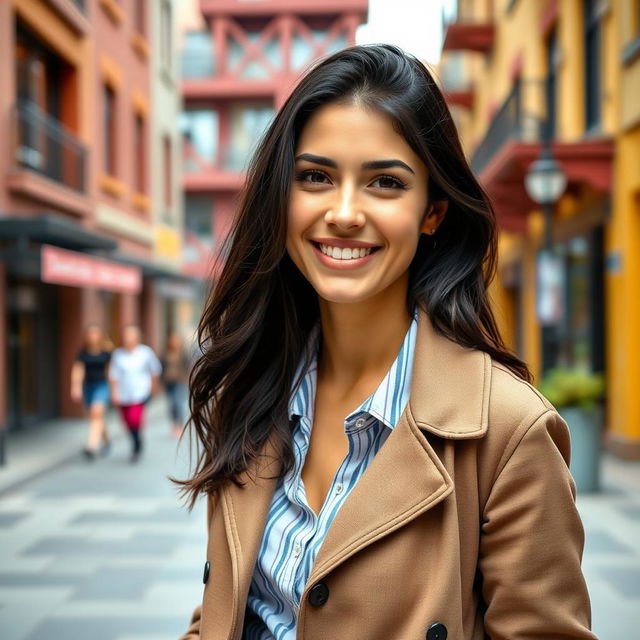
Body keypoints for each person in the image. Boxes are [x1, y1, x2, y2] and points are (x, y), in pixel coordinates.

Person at [175, 45, 595, 639]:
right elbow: (224, 611)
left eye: (385, 183)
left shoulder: (509, 432)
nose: (344, 213)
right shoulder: (250, 387)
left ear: (432, 212)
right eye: (315, 176)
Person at [109, 325, 162, 463]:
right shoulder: (118, 354)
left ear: (137, 337)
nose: (128, 338)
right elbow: (114, 375)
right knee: (127, 421)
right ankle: (135, 438)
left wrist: (153, 387)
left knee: (134, 418)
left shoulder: (145, 352)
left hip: (140, 392)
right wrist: (114, 392)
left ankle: (137, 443)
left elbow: (155, 370)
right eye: (126, 335)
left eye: (131, 335)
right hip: (123, 393)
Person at [70, 325, 112, 460]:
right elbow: (78, 369)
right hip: (88, 386)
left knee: (96, 413)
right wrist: (75, 386)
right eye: (90, 334)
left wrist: (114, 388)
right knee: (96, 417)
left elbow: (111, 371)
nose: (93, 336)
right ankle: (106, 440)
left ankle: (91, 446)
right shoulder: (83, 353)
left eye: (95, 333)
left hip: (102, 385)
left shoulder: (107, 352)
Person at [161, 331, 191, 438]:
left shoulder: (183, 353)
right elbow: (161, 367)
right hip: (169, 382)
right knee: (172, 404)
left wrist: (187, 379)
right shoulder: (165, 353)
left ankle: (179, 425)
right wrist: (161, 381)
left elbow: (188, 366)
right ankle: (174, 424)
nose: (174, 342)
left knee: (178, 403)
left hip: (180, 381)